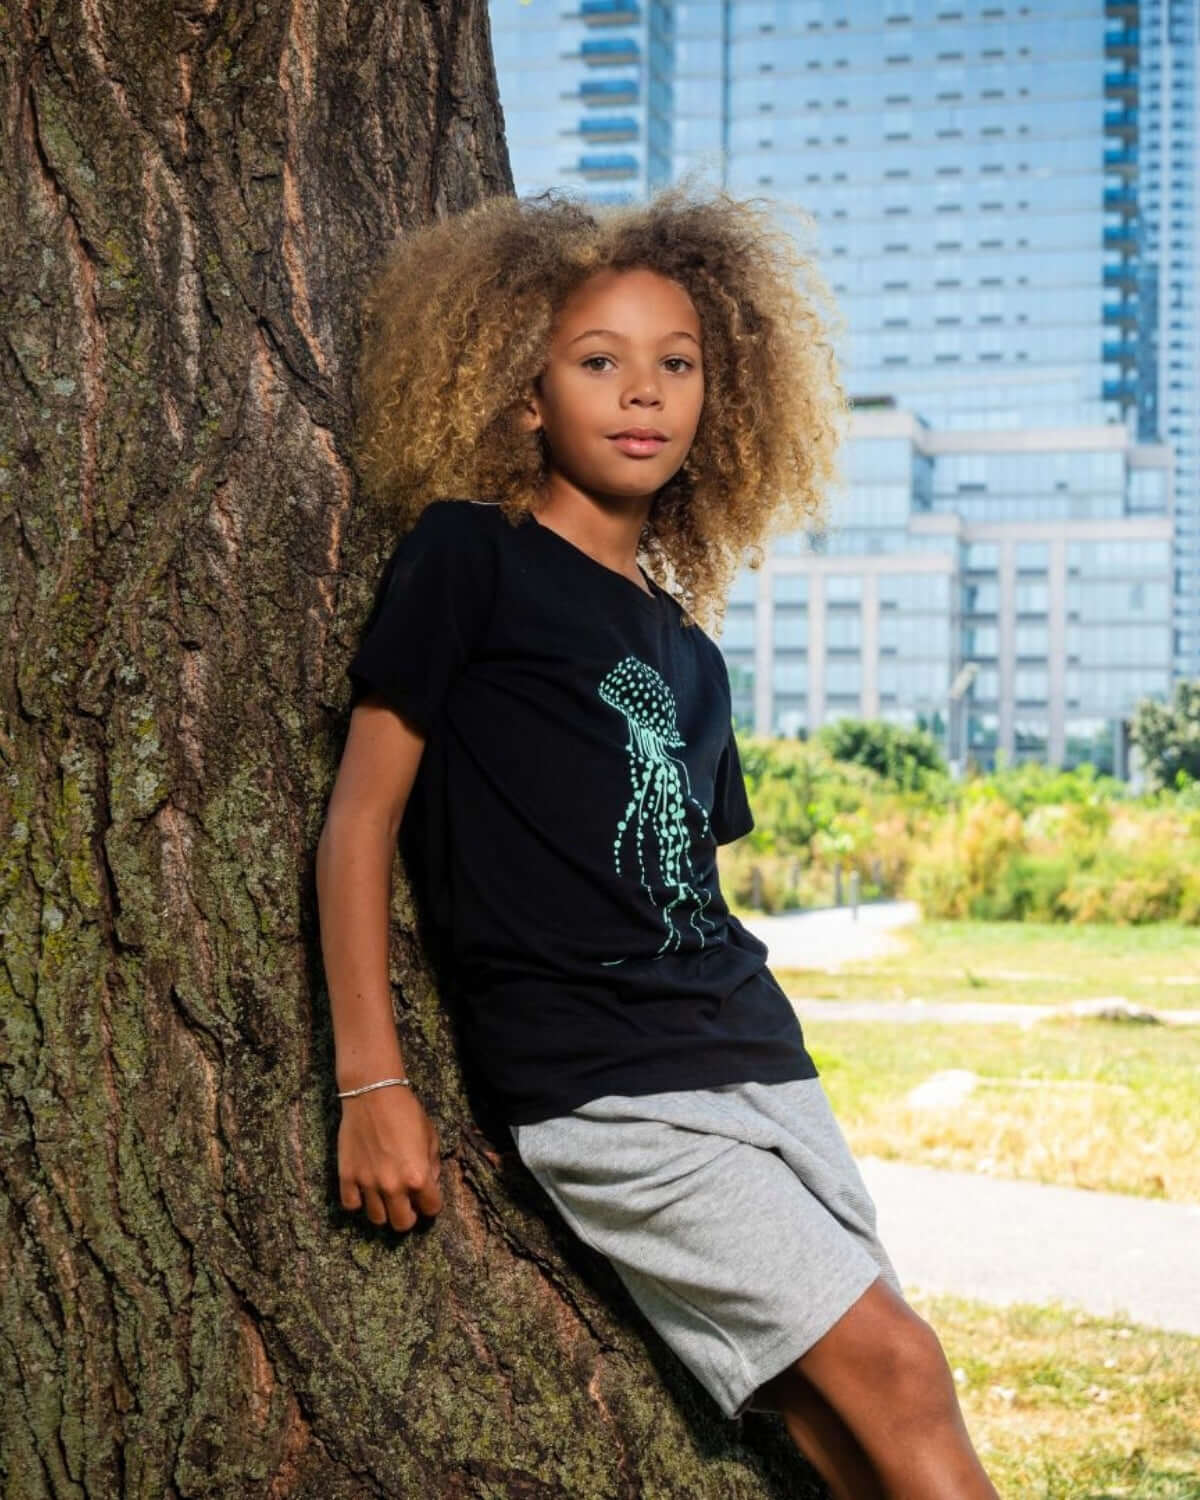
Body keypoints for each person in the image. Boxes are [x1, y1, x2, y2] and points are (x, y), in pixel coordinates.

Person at [316, 184, 1000, 1500]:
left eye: (675, 364)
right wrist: (371, 1082)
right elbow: (359, 821)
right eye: (599, 361)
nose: (643, 393)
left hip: (757, 1058)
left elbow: (688, 879)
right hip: (603, 1082)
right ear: (528, 396)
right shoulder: (475, 557)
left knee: (848, 1432)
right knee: (903, 1373)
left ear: (714, 400)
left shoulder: (686, 647)